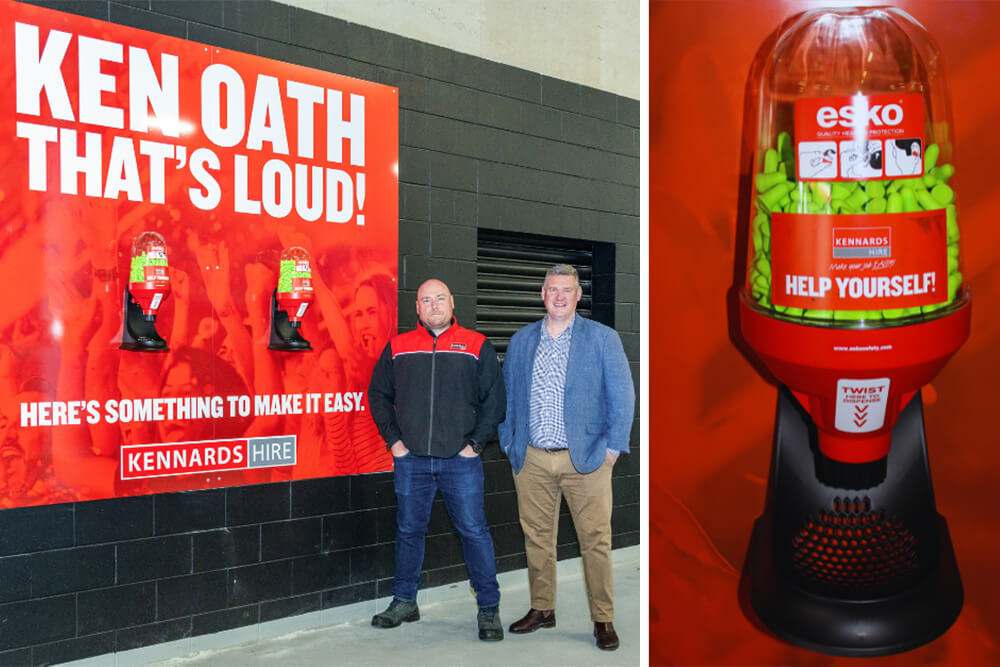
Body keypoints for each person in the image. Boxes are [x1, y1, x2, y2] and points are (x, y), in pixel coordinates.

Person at [498, 264, 635, 651]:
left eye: (567, 290)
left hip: (587, 460)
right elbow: (508, 397)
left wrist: (612, 450)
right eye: (552, 289)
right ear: (542, 294)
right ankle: (543, 608)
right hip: (533, 459)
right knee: (537, 538)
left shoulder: (602, 339)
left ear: (578, 296)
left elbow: (623, 396)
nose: (559, 296)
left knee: (595, 540)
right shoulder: (523, 340)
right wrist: (511, 443)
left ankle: (602, 618)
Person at [367, 279, 506, 641]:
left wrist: (475, 445)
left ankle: (488, 609)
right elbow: (378, 395)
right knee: (409, 531)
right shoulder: (398, 347)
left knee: (474, 532)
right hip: (411, 461)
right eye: (425, 300)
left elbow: (495, 401)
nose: (433, 305)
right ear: (417, 308)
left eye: (439, 298)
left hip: (460, 461)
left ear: (451, 302)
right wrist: (395, 442)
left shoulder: (476, 345)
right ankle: (404, 601)